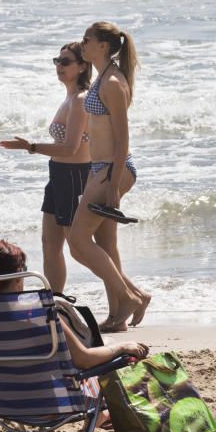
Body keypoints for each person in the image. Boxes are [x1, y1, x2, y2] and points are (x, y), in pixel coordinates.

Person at [0, 240, 149, 370]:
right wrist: (122, 347)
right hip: (55, 401)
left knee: (107, 342)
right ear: (19, 275)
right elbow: (84, 360)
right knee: (113, 349)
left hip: (1, 402)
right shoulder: (42, 313)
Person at [67, 21, 151, 333]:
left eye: (86, 39)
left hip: (111, 171)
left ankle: (130, 297)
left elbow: (122, 138)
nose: (82, 44)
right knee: (104, 244)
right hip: (100, 170)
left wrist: (113, 184)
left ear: (103, 45)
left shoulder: (113, 82)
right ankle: (119, 314)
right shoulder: (103, 77)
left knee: (77, 242)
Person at [0, 42, 92, 294]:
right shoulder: (70, 97)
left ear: (83, 66)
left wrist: (30, 146)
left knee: (80, 249)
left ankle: (129, 292)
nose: (59, 66)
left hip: (75, 176)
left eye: (65, 62)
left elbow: (71, 148)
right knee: (49, 245)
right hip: (58, 175)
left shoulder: (81, 99)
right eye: (57, 61)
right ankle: (55, 302)